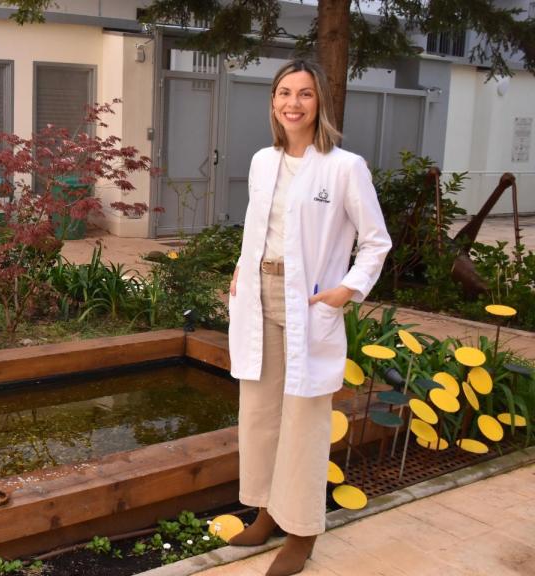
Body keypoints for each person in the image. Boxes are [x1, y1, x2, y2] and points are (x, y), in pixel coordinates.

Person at [226, 60, 391, 576]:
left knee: (303, 422)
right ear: (272, 102)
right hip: (258, 296)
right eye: (283, 93)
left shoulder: (344, 166)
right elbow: (258, 227)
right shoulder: (261, 160)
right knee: (258, 415)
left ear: (320, 102)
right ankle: (264, 512)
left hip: (310, 305)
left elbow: (375, 241)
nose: (292, 103)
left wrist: (346, 291)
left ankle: (301, 533)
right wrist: (238, 271)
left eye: (303, 94)